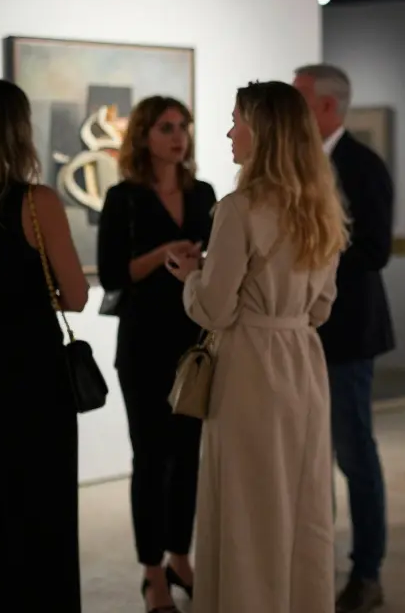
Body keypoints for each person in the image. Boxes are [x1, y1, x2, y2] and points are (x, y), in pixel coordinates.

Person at [166, 81, 345, 613]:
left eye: (236, 120)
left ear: (261, 131)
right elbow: (321, 308)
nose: (228, 131)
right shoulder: (321, 207)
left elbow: (214, 309)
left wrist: (190, 277)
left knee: (248, 506)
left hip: (249, 367)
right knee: (302, 501)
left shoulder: (238, 209)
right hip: (303, 362)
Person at [0, 78, 89, 611]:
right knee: (38, 509)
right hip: (31, 372)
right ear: (15, 132)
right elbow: (74, 296)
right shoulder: (37, 202)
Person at [98, 95, 217, 612]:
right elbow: (111, 274)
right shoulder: (123, 198)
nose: (178, 136)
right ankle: (152, 572)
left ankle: (180, 557)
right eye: (167, 127)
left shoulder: (205, 192)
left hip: (192, 342)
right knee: (150, 459)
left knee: (188, 457)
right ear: (144, 134)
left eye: (183, 127)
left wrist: (199, 260)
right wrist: (163, 254)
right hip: (143, 344)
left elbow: (219, 261)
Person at [293, 64, 394, 612]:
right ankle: (313, 561)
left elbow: (375, 248)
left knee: (355, 454)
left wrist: (308, 255)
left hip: (347, 333)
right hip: (300, 332)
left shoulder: (362, 165)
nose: (290, 107)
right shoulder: (300, 164)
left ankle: (367, 571)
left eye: (298, 97)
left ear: (327, 107)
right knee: (309, 456)